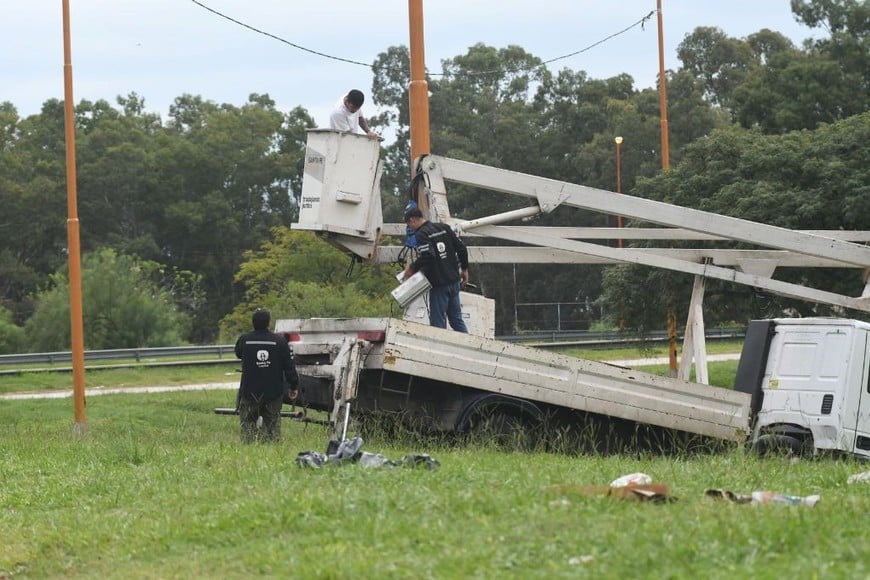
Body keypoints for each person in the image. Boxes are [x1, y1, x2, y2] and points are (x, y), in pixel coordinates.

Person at [234, 308, 299, 443]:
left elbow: (238, 353)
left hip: (250, 391)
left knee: (248, 424)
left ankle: (249, 449)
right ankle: (273, 450)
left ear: (253, 322)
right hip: (273, 392)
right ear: (269, 323)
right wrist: (294, 386)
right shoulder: (279, 342)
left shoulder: (244, 340)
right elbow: (289, 366)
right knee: (273, 426)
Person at [402, 207, 469, 332]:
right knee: (456, 320)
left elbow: (429, 256)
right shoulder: (444, 227)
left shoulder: (421, 234)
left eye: (409, 225)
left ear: (412, 221)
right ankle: (470, 349)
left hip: (439, 285)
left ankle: (438, 350)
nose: (410, 228)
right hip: (454, 282)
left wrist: (412, 268)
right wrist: (464, 269)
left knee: (437, 324)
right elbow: (461, 248)